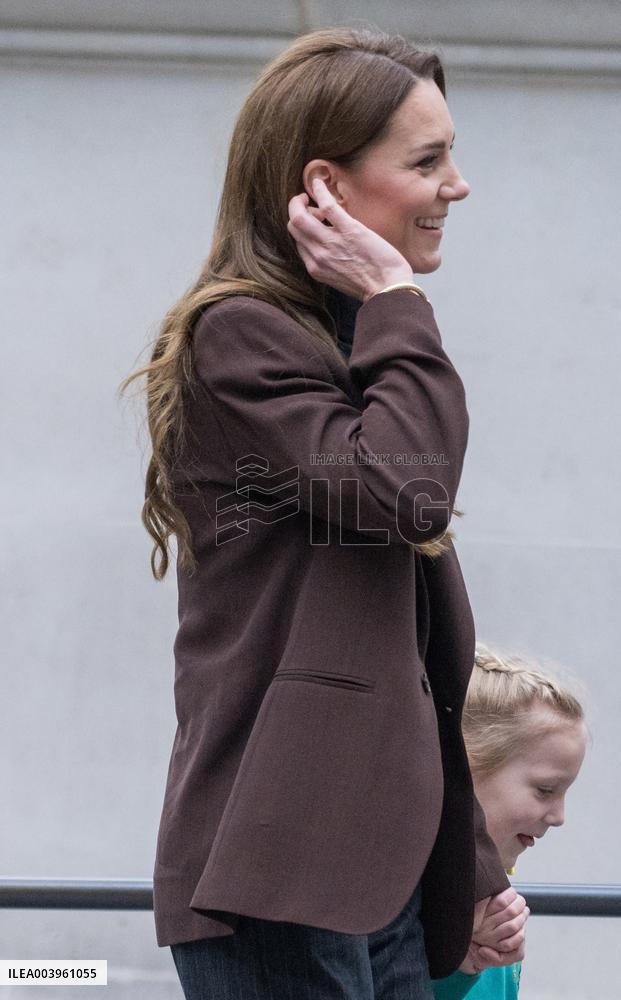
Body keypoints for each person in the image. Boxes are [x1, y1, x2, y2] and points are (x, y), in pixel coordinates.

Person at [120, 27, 528, 999]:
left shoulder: (353, 345)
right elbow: (408, 492)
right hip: (279, 868)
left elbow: (408, 658)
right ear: (328, 188)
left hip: (365, 878)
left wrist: (464, 869)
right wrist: (393, 292)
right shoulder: (240, 334)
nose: (456, 185)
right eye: (428, 160)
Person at [432, 644, 588, 999]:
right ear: (468, 767)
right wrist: (456, 966)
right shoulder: (396, 897)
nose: (559, 817)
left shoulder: (499, 903)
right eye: (545, 789)